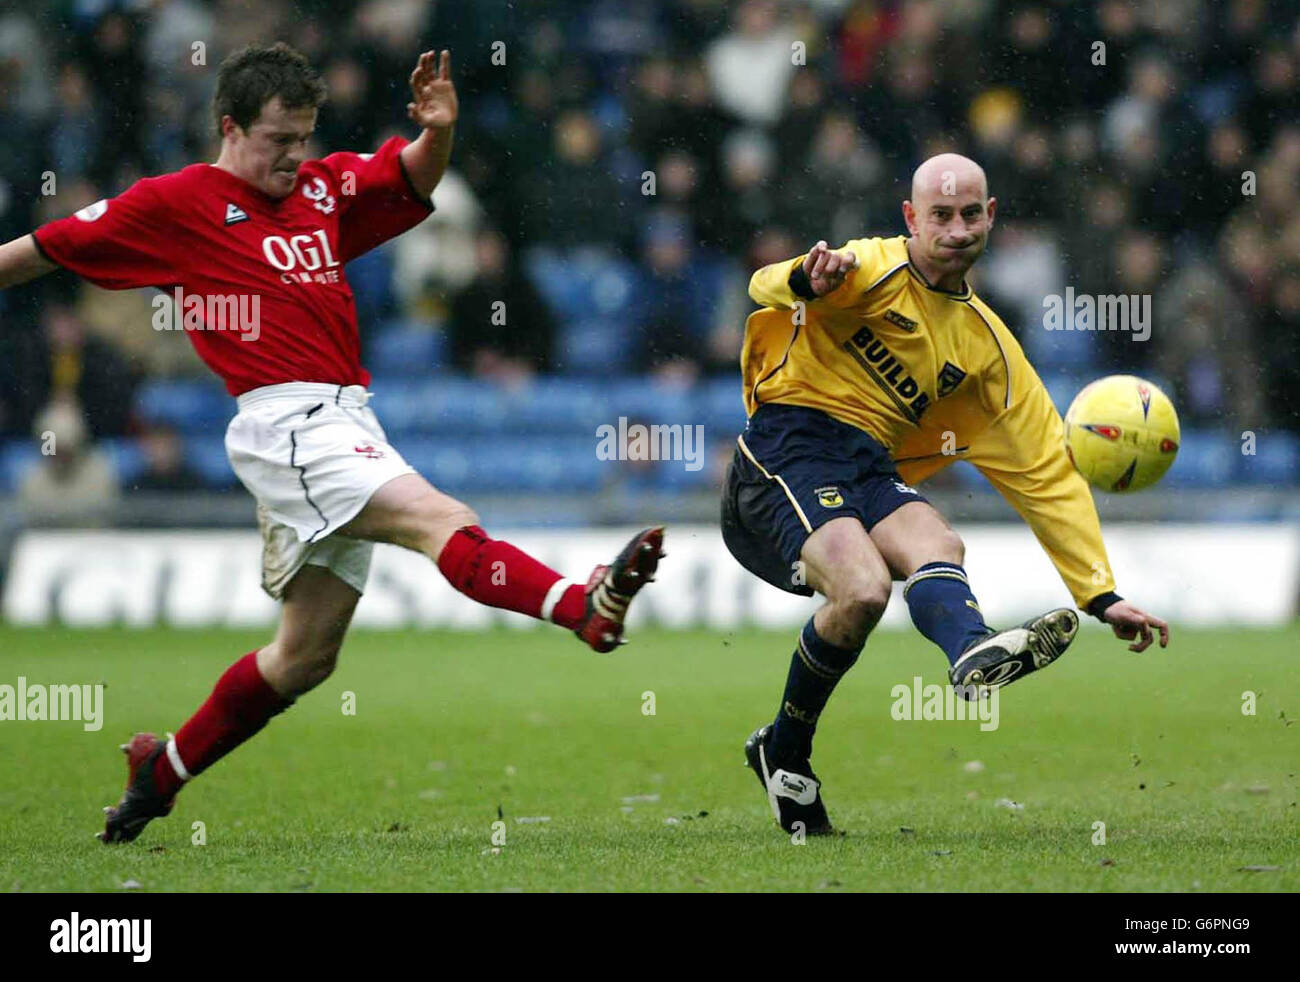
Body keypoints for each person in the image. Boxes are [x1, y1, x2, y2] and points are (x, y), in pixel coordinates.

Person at [0, 43, 664, 845]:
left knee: (305, 658)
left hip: (347, 419)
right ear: (230, 127)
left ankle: (161, 771)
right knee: (435, 516)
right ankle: (581, 606)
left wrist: (441, 130)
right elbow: (40, 251)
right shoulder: (174, 203)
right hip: (286, 426)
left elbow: (413, 176)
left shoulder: (321, 188)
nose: (294, 156)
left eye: (305, 137)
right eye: (279, 140)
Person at [721, 153, 1169, 836]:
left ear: (990, 217)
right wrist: (802, 277)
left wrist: (1101, 594)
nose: (956, 229)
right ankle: (792, 751)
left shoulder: (988, 349)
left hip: (866, 462)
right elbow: (764, 286)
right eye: (940, 215)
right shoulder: (869, 267)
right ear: (912, 218)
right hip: (791, 441)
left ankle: (965, 655)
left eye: (969, 214)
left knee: (939, 543)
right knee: (865, 588)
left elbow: (1047, 474)